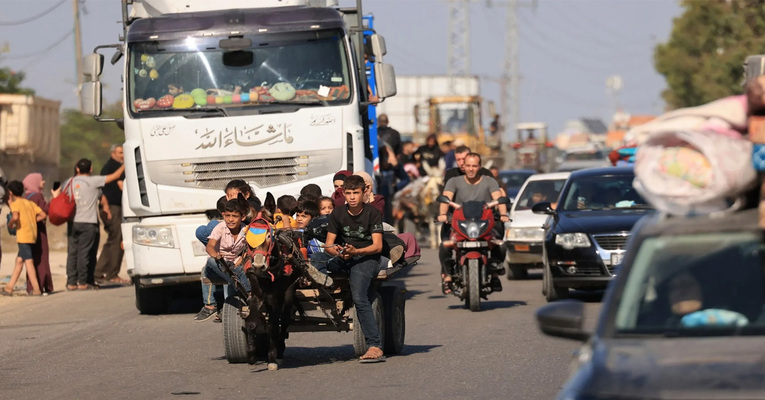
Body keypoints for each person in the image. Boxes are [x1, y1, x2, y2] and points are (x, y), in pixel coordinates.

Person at [316, 175, 386, 362]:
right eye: (348, 193)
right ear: (344, 194)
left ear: (364, 193)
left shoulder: (372, 213)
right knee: (316, 258)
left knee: (359, 297)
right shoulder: (338, 213)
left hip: (366, 258)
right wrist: (337, 251)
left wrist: (356, 251)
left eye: (356, 192)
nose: (352, 197)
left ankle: (374, 345)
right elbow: (329, 244)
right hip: (344, 256)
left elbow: (377, 246)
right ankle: (324, 282)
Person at [437, 153, 509, 294]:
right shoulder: (454, 181)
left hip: (483, 223)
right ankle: (447, 277)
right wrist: (443, 214)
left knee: (500, 243)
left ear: (479, 167)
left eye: (474, 166)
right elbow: (446, 198)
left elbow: (498, 199)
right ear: (463, 166)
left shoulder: (489, 181)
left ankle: (494, 273)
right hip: (460, 223)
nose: (471, 169)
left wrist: (503, 214)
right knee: (445, 245)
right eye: (468, 165)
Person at [60, 158, 125, 291]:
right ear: (90, 169)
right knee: (85, 252)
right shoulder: (93, 181)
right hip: (88, 223)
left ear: (77, 169)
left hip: (73, 222)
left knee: (72, 253)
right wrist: (126, 162)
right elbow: (116, 176)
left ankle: (71, 282)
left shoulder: (68, 182)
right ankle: (83, 282)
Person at [195, 199, 248, 322]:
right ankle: (212, 304)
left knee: (243, 269)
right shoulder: (220, 228)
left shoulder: (246, 230)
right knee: (211, 263)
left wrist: (242, 258)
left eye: (234, 216)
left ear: (243, 217)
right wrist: (217, 256)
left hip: (234, 265)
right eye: (227, 215)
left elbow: (249, 249)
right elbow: (210, 247)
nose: (230, 219)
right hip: (218, 263)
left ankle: (247, 295)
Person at [2, 181, 46, 296]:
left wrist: (11, 224)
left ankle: (36, 289)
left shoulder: (15, 204)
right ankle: (9, 288)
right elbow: (43, 215)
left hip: (23, 236)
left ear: (10, 192)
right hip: (32, 235)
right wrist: (31, 221)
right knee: (19, 261)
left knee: (28, 262)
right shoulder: (29, 203)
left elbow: (15, 216)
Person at [95, 144, 128, 285]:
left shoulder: (116, 166)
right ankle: (109, 273)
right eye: (120, 152)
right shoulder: (113, 167)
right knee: (115, 240)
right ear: (113, 153)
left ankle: (105, 272)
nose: (122, 155)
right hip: (112, 208)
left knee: (116, 240)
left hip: (116, 207)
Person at [22, 173, 54, 295]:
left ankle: (32, 286)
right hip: (39, 231)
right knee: (42, 257)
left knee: (32, 258)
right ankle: (42, 285)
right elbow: (45, 210)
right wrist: (54, 198)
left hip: (28, 232)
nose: (44, 182)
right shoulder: (38, 196)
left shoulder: (26, 196)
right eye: (41, 180)